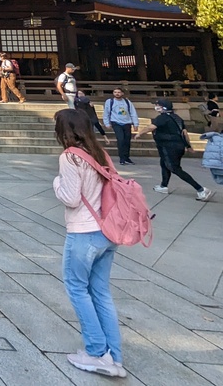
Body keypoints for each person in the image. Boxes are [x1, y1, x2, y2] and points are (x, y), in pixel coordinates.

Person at [52, 108, 127, 378]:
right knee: (101, 292)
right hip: (108, 230)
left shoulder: (70, 157)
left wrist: (56, 183)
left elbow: (71, 197)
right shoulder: (100, 153)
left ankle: (96, 351)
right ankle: (114, 356)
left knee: (77, 288)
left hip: (84, 231)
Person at [134, 99, 212, 201]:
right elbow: (184, 133)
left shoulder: (162, 118)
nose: (156, 107)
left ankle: (201, 189)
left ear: (164, 107)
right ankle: (163, 186)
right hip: (177, 146)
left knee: (174, 168)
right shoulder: (177, 118)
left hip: (169, 147)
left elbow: (150, 127)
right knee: (164, 164)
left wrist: (140, 133)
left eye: (158, 105)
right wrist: (188, 146)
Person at [103, 88, 139, 166]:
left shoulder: (127, 102)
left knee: (127, 140)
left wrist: (135, 123)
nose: (117, 94)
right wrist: (107, 123)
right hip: (116, 122)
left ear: (122, 93)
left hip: (127, 122)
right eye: (115, 92)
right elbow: (106, 113)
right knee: (120, 139)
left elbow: (133, 112)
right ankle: (122, 158)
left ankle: (127, 157)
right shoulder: (110, 102)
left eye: (119, 92)